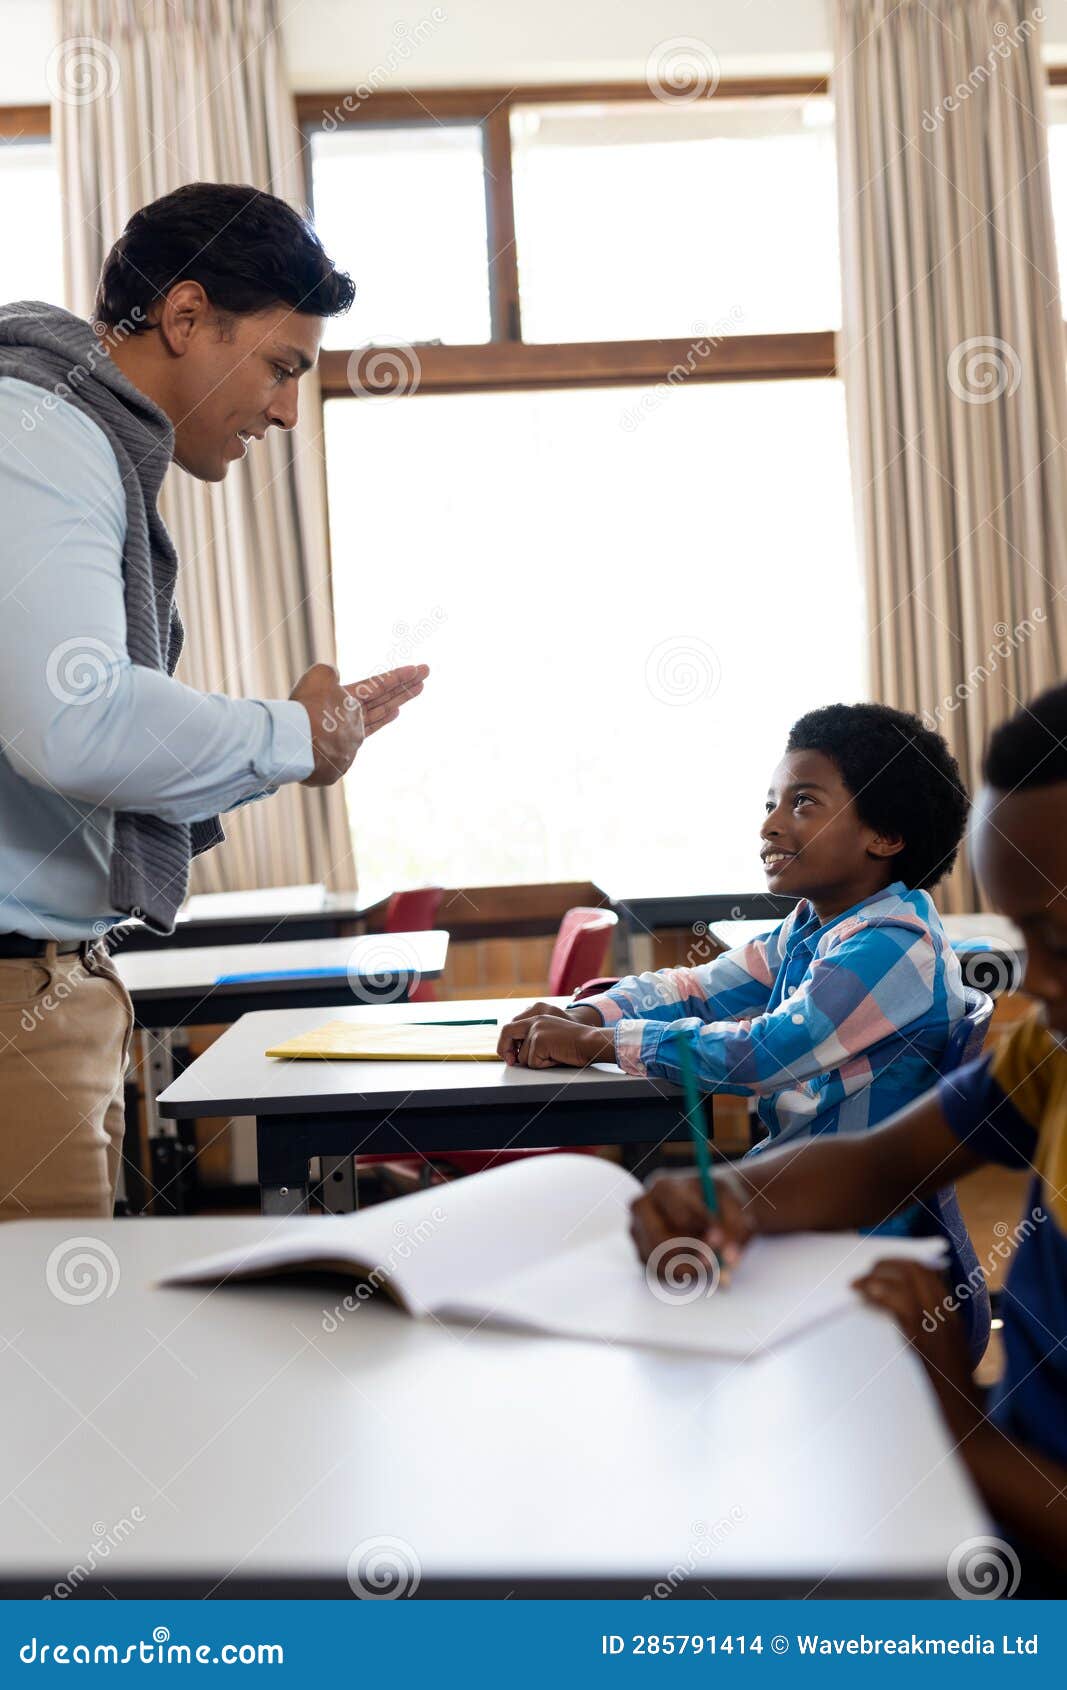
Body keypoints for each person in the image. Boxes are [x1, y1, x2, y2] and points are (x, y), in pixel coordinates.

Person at [0, 182, 427, 1218]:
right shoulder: (42, 431)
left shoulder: (77, 432)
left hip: (50, 983)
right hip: (15, 996)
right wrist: (290, 734)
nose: (285, 409)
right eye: (282, 367)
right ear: (185, 317)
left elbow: (85, 771)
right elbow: (76, 726)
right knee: (55, 1373)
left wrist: (305, 744)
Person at [631, 682, 1067, 1594]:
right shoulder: (1047, 1051)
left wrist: (952, 1423)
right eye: (1024, 938)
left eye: (1057, 938)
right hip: (989, 1482)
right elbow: (881, 1160)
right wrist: (732, 1197)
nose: (1042, 982)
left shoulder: (893, 946)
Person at [499, 703, 969, 1152]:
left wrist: (598, 1043)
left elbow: (763, 1054)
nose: (770, 825)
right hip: (795, 1192)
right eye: (771, 804)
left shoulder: (893, 944)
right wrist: (589, 1016)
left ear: (885, 836)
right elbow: (697, 990)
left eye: (802, 802)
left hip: (851, 1221)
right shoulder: (812, 927)